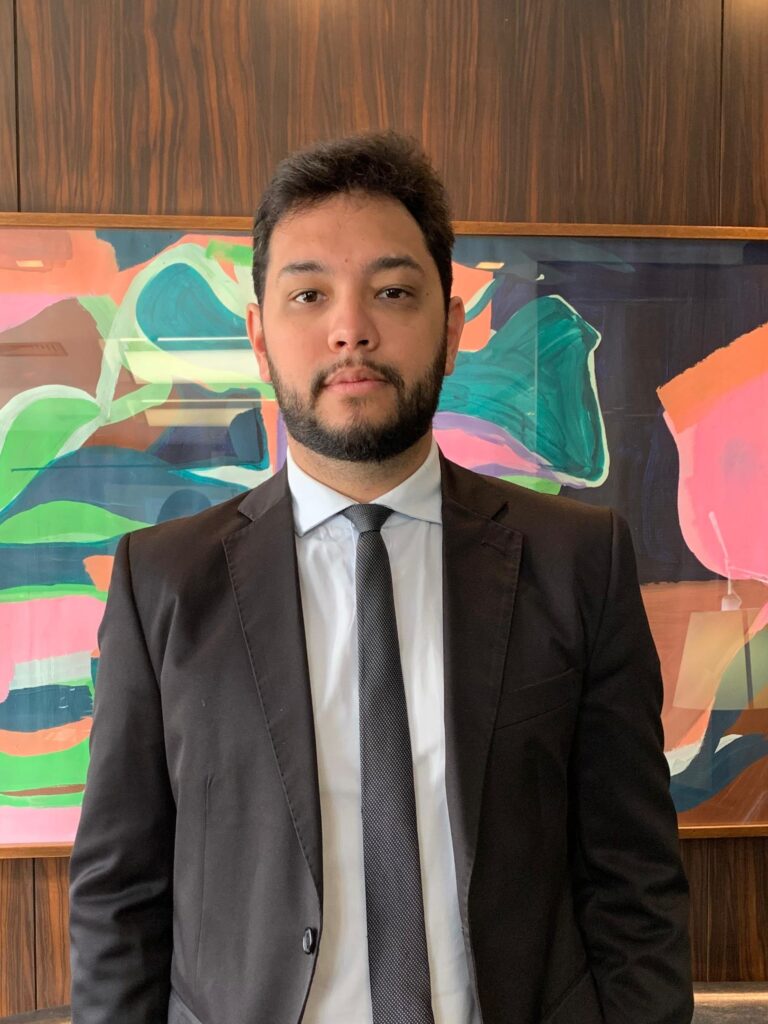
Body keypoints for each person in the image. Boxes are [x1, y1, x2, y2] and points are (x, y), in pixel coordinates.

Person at [69, 131, 693, 1024]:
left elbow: (633, 883)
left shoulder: (577, 561)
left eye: (393, 291)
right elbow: (119, 897)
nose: (351, 328)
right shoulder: (163, 582)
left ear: (452, 328)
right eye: (309, 293)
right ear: (259, 338)